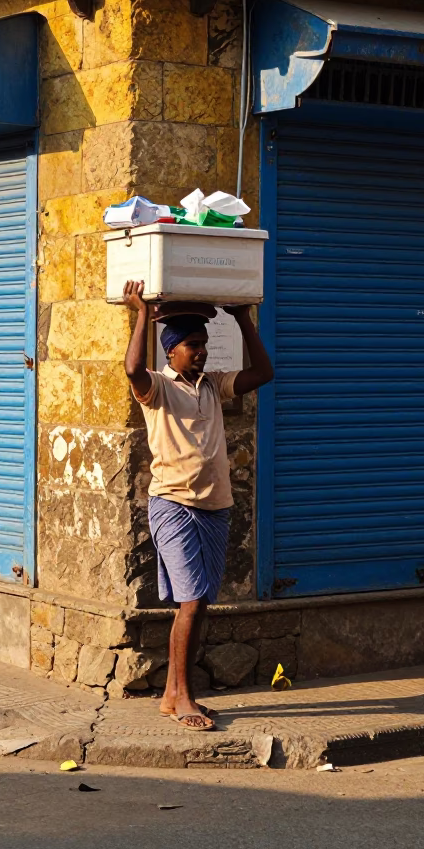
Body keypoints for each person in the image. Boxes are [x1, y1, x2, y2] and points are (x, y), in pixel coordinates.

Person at [122, 279, 274, 732]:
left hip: (216, 506)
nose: (201, 352)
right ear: (171, 352)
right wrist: (141, 317)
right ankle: (186, 698)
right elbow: (132, 370)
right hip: (173, 504)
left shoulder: (212, 387)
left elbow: (264, 373)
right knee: (190, 601)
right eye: (191, 345)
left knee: (200, 601)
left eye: (204, 344)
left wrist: (244, 321)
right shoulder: (158, 389)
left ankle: (172, 695)